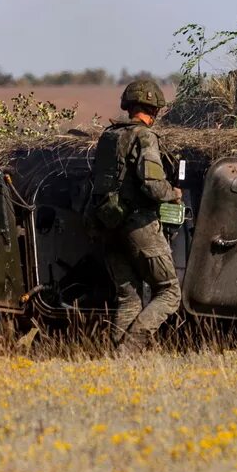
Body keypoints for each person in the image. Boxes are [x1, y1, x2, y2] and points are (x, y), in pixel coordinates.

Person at [89, 79, 183, 354]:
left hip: (108, 225)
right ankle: (130, 349)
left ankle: (119, 361)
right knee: (168, 292)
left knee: (128, 298)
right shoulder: (144, 136)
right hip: (138, 224)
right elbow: (152, 185)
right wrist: (174, 194)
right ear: (154, 109)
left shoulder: (109, 136)